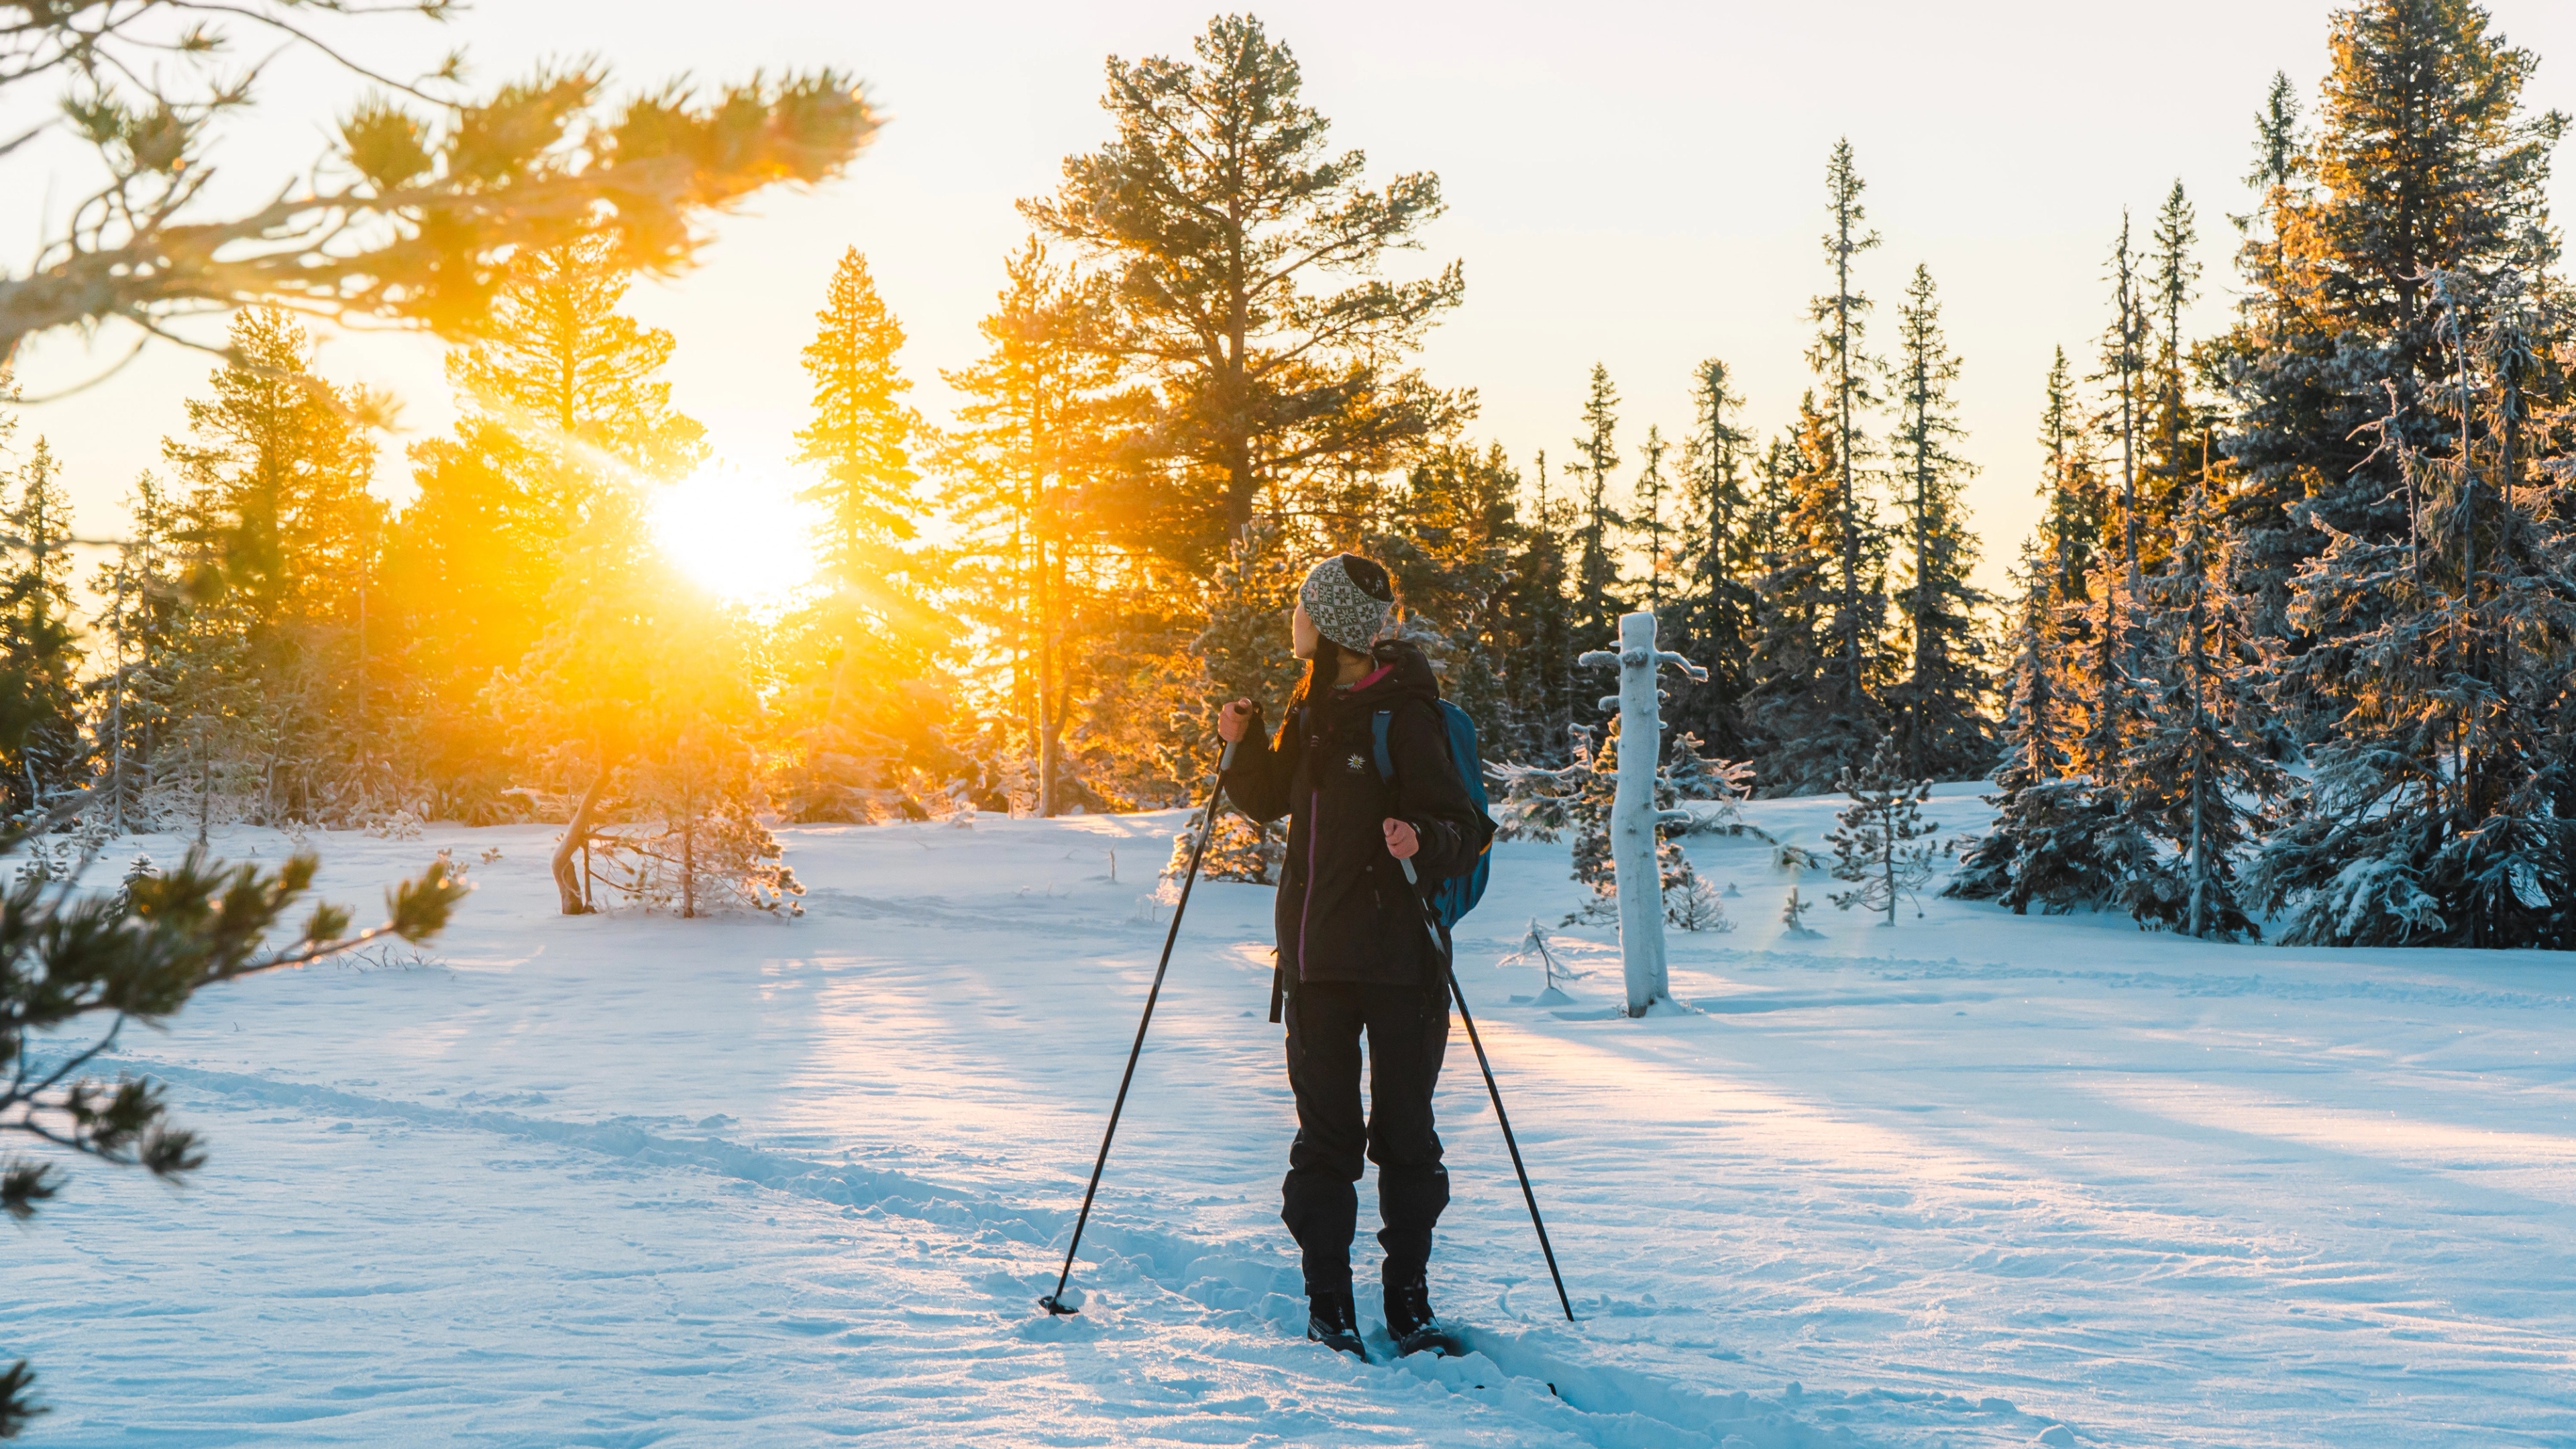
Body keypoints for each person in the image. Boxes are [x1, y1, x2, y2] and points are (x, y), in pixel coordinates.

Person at [1216, 552, 1493, 1360]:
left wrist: (1423, 838)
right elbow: (1271, 801)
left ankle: (1408, 1303)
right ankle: (1327, 1304)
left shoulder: (1405, 714)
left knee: (1407, 1136)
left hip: (1402, 963)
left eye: (1302, 608)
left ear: (1328, 625)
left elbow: (1462, 829)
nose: (1291, 620)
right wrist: (1238, 746)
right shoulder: (1311, 710)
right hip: (1316, 964)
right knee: (1325, 1139)